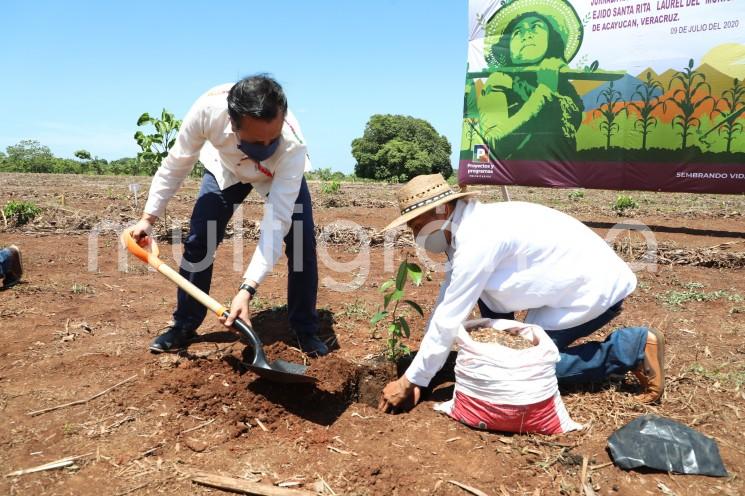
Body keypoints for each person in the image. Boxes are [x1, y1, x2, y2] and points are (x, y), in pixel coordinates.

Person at [378, 174, 665, 413]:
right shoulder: (465, 228)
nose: (417, 237)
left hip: (592, 289)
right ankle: (505, 349)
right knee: (495, 330)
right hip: (567, 283)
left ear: (442, 210)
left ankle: (633, 347)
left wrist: (410, 380)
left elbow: (450, 317)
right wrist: (419, 376)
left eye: (418, 226)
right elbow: (447, 301)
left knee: (529, 368)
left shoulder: (478, 238)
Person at [131, 75, 328, 356]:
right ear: (232, 124)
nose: (266, 147)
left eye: (273, 139)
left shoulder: (292, 146)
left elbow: (276, 224)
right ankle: (184, 324)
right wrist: (148, 219)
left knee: (302, 243)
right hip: (225, 169)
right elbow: (177, 163)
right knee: (200, 239)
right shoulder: (207, 111)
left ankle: (305, 329)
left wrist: (247, 289)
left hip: (277, 176)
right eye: (257, 143)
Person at [475, 0, 584, 160]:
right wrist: (544, 91)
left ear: (551, 39)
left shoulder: (563, 84)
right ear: (509, 48)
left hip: (557, 173)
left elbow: (571, 126)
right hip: (515, 169)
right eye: (518, 32)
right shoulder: (499, 81)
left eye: (535, 27)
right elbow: (492, 143)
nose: (526, 35)